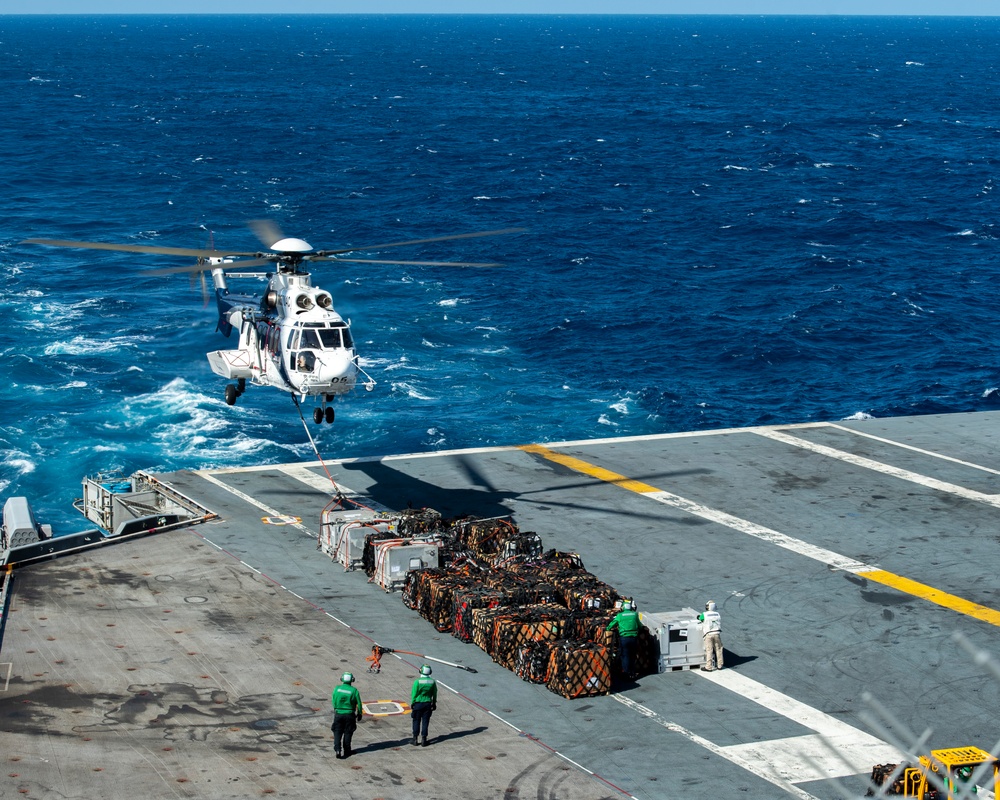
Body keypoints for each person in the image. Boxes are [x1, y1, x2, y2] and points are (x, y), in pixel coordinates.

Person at [606, 599, 641, 680]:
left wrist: (607, 628)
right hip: (634, 638)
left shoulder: (620, 615)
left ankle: (626, 673)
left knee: (625, 656)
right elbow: (640, 625)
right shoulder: (635, 614)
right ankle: (632, 673)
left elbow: (612, 624)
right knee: (632, 655)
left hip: (624, 638)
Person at [331, 672, 363, 759]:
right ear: (352, 680)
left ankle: (337, 749)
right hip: (350, 714)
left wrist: (337, 709)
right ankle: (347, 750)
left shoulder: (337, 689)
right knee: (348, 732)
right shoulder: (354, 690)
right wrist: (359, 713)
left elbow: (333, 700)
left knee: (337, 732)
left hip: (339, 713)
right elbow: (359, 704)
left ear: (342, 679)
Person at [410, 664, 437, 746]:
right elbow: (434, 693)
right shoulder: (432, 682)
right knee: (425, 722)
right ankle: (424, 740)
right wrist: (434, 703)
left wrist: (412, 703)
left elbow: (414, 694)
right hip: (428, 704)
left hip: (418, 704)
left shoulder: (417, 681)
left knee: (416, 721)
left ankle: (415, 739)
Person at [698, 600, 723, 671]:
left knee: (709, 650)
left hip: (708, 634)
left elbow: (700, 618)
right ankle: (720, 665)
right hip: (717, 633)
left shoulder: (704, 614)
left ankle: (708, 667)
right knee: (719, 649)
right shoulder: (717, 614)